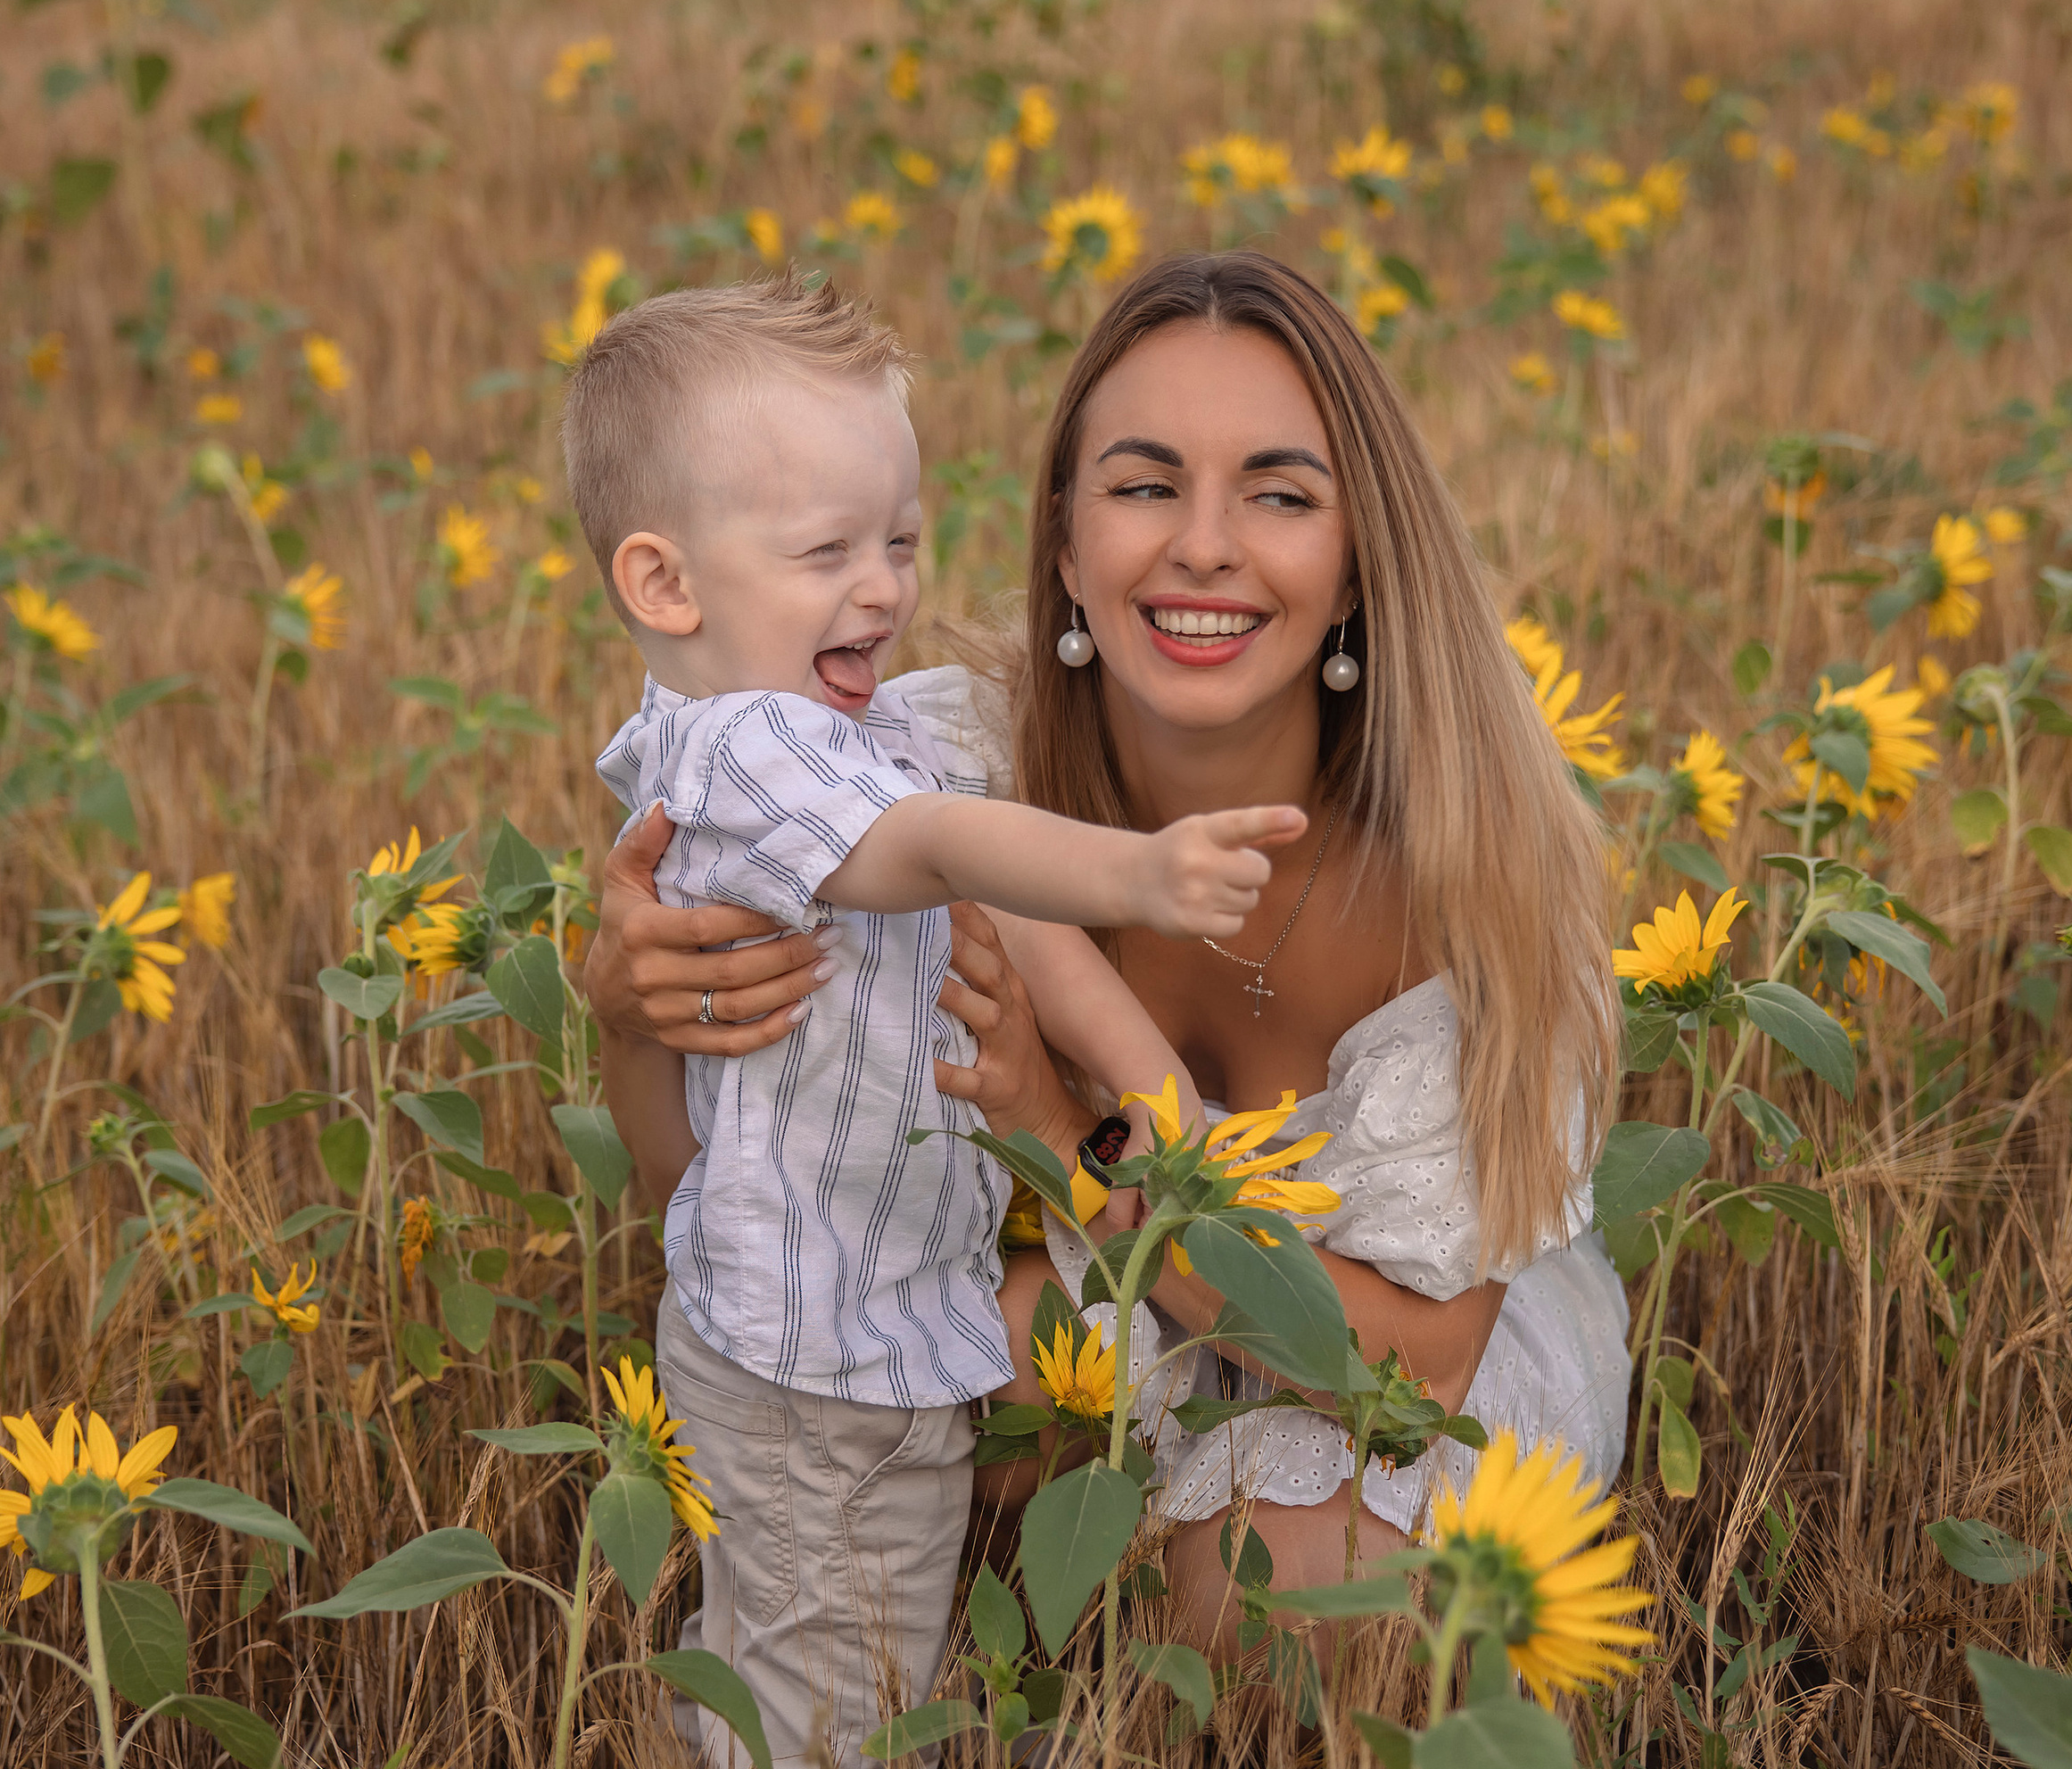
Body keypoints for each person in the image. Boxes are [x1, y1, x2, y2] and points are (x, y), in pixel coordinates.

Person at [585, 248, 1630, 1653]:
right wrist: (634, 1012)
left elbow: (1408, 1367)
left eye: (1278, 492)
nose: (1203, 545)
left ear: (1359, 553)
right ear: (1067, 541)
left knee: (1314, 1596)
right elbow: (699, 1175)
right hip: (1103, 1303)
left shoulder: (1476, 863)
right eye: (1145, 486)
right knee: (874, 1394)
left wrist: (1056, 1125)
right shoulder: (937, 776)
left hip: (1406, 1363)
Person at [567, 270, 1295, 1769]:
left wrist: (1156, 1093)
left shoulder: (879, 733)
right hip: (808, 1338)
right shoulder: (741, 750)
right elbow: (945, 857)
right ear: (661, 583)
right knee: (838, 1677)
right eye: (828, 551)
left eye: (900, 538)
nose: (886, 586)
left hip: (884, 1302)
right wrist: (1146, 868)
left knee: (851, 1627)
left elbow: (1019, 927)